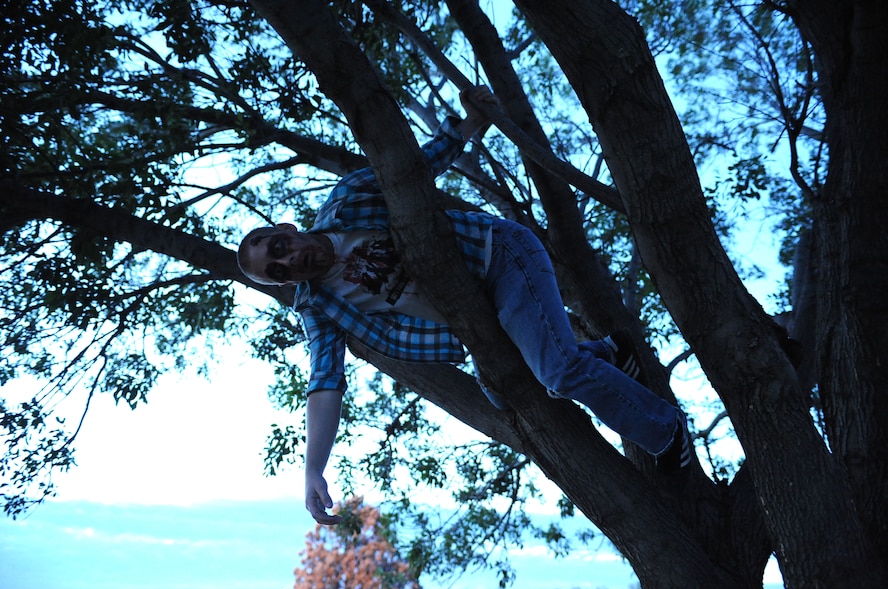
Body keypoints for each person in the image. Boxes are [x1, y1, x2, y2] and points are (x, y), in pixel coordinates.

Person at [238, 86, 691, 525]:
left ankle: (666, 429)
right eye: (277, 270)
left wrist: (474, 119)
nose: (289, 260)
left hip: (499, 257)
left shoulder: (348, 201)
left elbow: (415, 168)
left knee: (556, 370)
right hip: (477, 325)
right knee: (508, 390)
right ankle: (610, 353)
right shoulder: (320, 307)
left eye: (279, 246)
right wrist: (313, 468)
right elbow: (325, 381)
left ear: (287, 227)